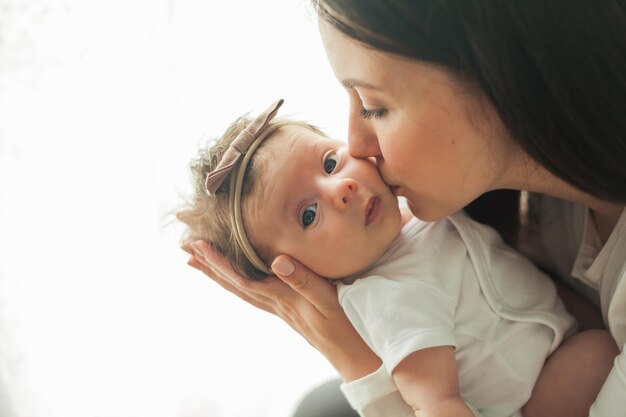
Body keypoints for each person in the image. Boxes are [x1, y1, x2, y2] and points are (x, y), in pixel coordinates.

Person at [183, 1, 626, 416]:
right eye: (308, 215)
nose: (355, 147)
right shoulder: (397, 298)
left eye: (374, 106)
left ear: (495, 74)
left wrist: (356, 364)